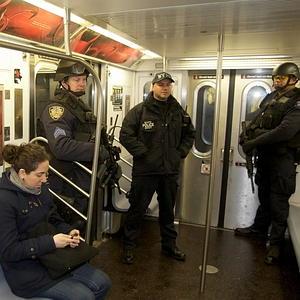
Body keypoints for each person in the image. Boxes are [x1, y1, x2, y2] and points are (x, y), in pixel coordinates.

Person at [0, 143, 111, 299]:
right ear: (23, 173)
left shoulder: (41, 189)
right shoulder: (5, 200)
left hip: (51, 257)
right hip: (26, 269)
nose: (45, 180)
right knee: (84, 297)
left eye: (47, 173)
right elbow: (9, 251)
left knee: (103, 282)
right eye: (40, 175)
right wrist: (51, 242)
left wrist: (67, 230)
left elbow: (53, 217)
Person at [119, 72, 195, 264]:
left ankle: (169, 246)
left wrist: (179, 153)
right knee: (137, 209)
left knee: (168, 211)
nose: (164, 88)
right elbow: (126, 135)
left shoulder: (179, 112)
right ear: (153, 86)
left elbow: (190, 135)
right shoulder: (139, 112)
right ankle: (129, 247)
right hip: (145, 171)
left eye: (168, 84)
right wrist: (144, 153)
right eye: (160, 84)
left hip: (169, 171)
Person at [235, 62, 300, 264]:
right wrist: (245, 135)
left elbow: (286, 131)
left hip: (283, 160)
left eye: (281, 78)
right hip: (265, 158)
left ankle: (275, 245)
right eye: (275, 78)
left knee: (278, 203)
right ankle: (258, 229)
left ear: (293, 79)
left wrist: (254, 141)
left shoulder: (297, 100)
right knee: (264, 196)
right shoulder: (271, 97)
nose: (276, 81)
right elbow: (257, 119)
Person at [38, 59, 109, 227]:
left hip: (79, 177)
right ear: (64, 82)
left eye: (84, 79)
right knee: (68, 226)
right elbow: (61, 146)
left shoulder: (77, 106)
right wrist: (97, 151)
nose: (82, 83)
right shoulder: (57, 110)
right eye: (76, 80)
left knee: (80, 225)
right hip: (65, 180)